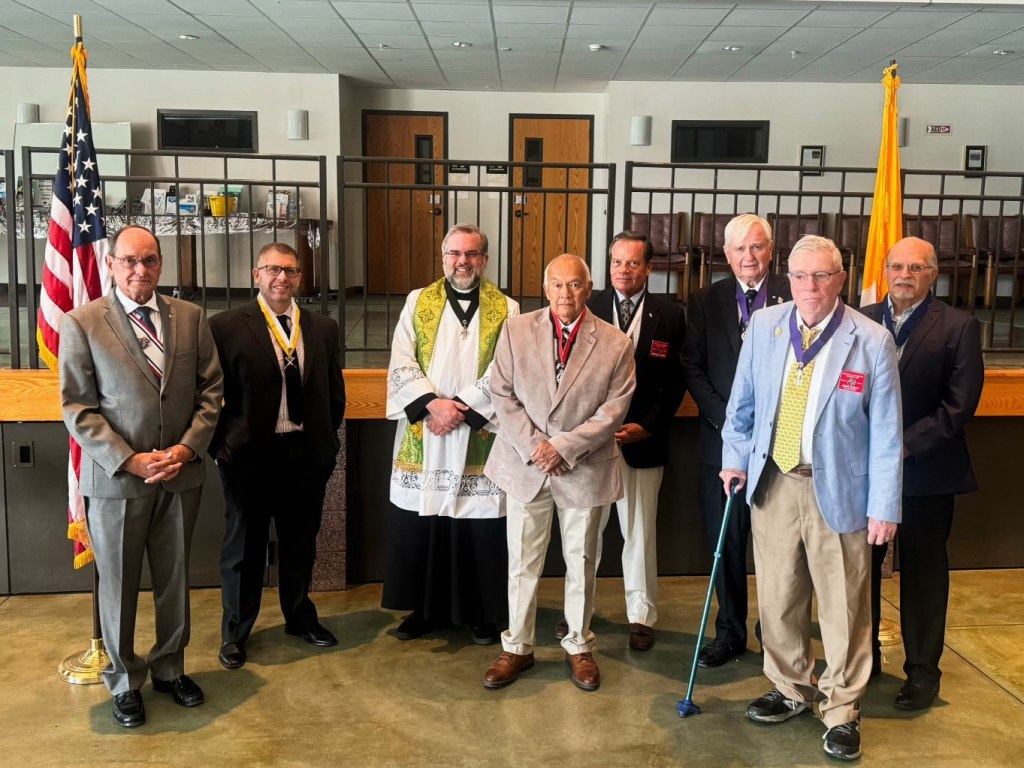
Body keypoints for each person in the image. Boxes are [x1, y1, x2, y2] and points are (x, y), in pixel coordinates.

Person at [720, 235, 902, 761]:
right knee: (779, 597)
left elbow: (887, 434)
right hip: (774, 482)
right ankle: (790, 687)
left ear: (840, 279)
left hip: (840, 491)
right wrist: (735, 458)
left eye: (822, 275)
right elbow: (741, 406)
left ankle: (842, 708)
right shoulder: (765, 326)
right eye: (800, 276)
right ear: (788, 278)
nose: (810, 286)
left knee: (844, 605)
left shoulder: (871, 340)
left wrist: (884, 506)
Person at [59, 225, 223, 727]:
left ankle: (170, 668)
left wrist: (186, 449)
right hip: (117, 481)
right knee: (118, 585)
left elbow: (212, 392)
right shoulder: (82, 322)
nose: (140, 270)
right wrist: (128, 459)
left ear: (160, 264)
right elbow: (78, 408)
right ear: (110, 264)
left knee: (174, 579)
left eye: (149, 260)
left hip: (179, 474)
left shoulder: (191, 317)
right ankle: (125, 681)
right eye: (129, 260)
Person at [482, 254, 636, 692]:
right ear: (545, 288)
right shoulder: (515, 331)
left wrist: (563, 447)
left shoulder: (615, 343)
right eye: (557, 285)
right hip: (526, 465)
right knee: (522, 561)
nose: (565, 294)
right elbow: (501, 393)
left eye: (574, 285)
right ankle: (517, 646)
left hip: (583, 467)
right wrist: (537, 447)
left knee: (582, 561)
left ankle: (578, 645)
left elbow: (614, 409)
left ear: (589, 289)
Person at [209, 242, 345, 670]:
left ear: (300, 277)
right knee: (244, 548)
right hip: (249, 456)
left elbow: (334, 393)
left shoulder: (323, 328)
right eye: (272, 269)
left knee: (300, 542)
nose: (281, 277)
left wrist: (328, 443)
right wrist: (221, 447)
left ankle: (300, 617)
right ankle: (235, 633)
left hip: (306, 454)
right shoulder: (225, 327)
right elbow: (208, 394)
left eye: (289, 270)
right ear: (256, 274)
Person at [862, 236, 984, 710]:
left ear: (933, 274)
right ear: (885, 271)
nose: (904, 275)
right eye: (897, 266)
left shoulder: (958, 326)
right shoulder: (860, 320)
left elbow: (959, 406)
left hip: (926, 471)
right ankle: (864, 659)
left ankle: (922, 674)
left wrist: (902, 447)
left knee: (924, 574)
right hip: (864, 473)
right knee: (860, 572)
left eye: (916, 268)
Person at [382, 224, 519, 645]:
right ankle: (425, 610)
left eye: (472, 254)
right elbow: (401, 359)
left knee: (478, 524)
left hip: (477, 432)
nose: (463, 262)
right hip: (427, 430)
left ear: (485, 260)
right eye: (455, 254)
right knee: (424, 522)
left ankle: (481, 613)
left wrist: (460, 408)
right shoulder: (417, 301)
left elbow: (506, 369)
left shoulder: (508, 309)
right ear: (443, 258)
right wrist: (432, 405)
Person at [682, 213, 790, 667]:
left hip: (780, 447)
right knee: (725, 544)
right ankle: (729, 632)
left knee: (779, 549)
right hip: (720, 443)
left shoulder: (794, 292)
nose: (749, 256)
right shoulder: (705, 301)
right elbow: (692, 365)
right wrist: (730, 421)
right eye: (740, 248)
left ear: (771, 250)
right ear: (726, 254)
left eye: (757, 246)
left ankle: (777, 636)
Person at [580, 231, 686, 651]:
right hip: (592, 442)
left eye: (633, 262)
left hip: (643, 440)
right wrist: (592, 428)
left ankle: (641, 615)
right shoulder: (588, 306)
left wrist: (648, 426)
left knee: (639, 532)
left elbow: (675, 383)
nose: (623, 270)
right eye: (616, 262)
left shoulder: (671, 316)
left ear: (649, 268)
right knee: (585, 532)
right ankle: (578, 609)